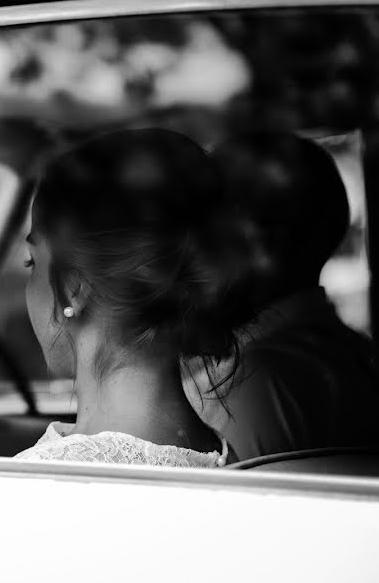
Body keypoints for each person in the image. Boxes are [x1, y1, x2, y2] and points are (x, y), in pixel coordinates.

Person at [15, 128, 251, 466]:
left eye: (31, 262)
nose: (30, 283)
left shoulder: (51, 478)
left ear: (73, 288)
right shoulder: (215, 453)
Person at [182, 131, 379, 461]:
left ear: (263, 246)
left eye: (207, 227)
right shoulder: (356, 356)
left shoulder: (253, 385)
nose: (187, 248)